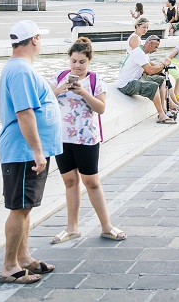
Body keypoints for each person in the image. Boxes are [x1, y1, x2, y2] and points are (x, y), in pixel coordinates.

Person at [0, 20, 62, 284]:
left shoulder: (20, 68)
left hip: (26, 150)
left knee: (25, 207)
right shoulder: (21, 71)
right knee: (19, 209)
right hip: (23, 151)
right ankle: (9, 266)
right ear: (34, 40)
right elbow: (24, 113)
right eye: (40, 38)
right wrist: (37, 151)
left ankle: (23, 258)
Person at [50, 37, 124, 244]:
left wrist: (82, 92)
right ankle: (71, 228)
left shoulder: (95, 80)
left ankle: (107, 226)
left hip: (87, 138)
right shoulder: (60, 77)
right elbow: (45, 100)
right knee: (69, 181)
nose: (77, 66)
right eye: (73, 61)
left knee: (91, 182)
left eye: (82, 61)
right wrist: (60, 89)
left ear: (89, 61)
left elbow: (100, 108)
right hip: (62, 138)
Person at [116, 35, 176, 124]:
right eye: (155, 47)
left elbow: (152, 67)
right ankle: (161, 116)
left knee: (161, 79)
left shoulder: (143, 53)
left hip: (136, 79)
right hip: (126, 84)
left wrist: (163, 66)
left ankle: (163, 110)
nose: (156, 50)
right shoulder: (139, 53)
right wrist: (163, 64)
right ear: (150, 44)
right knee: (154, 86)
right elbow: (150, 71)